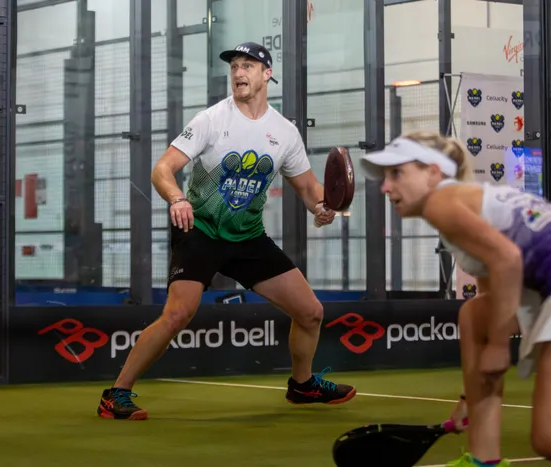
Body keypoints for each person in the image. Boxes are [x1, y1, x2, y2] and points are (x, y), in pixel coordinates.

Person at [359, 130, 551, 466]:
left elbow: (507, 260)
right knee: (474, 315)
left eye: (397, 173)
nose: (385, 187)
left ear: (433, 172)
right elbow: (494, 294)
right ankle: (483, 459)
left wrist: (498, 346)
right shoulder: (469, 201)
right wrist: (471, 394)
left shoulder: (440, 203)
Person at [96, 42, 356, 420]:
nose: (238, 73)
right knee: (177, 315)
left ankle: (302, 386)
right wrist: (176, 198)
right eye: (234, 66)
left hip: (248, 236)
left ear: (267, 74)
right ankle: (116, 393)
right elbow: (162, 169)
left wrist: (321, 206)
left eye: (248, 65)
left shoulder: (284, 132)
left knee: (311, 312)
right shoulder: (211, 120)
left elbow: (308, 188)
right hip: (200, 229)